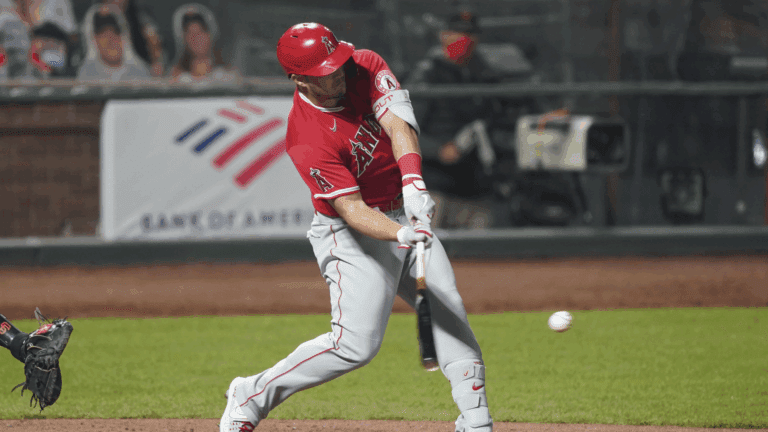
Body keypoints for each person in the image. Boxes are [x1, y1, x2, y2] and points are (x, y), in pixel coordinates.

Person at [218, 23, 493, 432]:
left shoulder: (364, 65)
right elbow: (351, 209)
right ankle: (250, 395)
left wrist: (413, 182)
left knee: (447, 310)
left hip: (403, 208)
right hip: (352, 236)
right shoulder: (306, 137)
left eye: (338, 63)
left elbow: (398, 125)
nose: (338, 73)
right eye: (326, 72)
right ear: (299, 80)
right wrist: (400, 234)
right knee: (355, 346)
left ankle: (475, 420)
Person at [168, 3, 240, 85]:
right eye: (190, 33)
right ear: (183, 39)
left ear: (210, 35)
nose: (195, 38)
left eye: (200, 32)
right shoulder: (175, 80)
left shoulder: (228, 77)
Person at [76, 3, 150, 82]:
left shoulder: (141, 72)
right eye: (103, 34)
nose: (110, 39)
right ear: (93, 40)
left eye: (115, 32)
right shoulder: (86, 75)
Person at [97, 0, 165, 76]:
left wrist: (157, 64)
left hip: (139, 73)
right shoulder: (94, 19)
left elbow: (156, 50)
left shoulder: (141, 18)